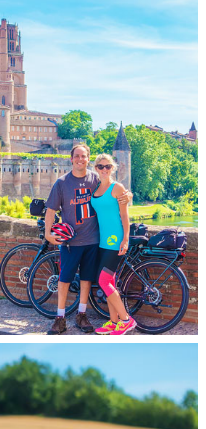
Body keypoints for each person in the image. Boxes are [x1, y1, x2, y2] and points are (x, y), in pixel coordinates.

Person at [43, 143, 130, 334]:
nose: (80, 159)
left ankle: (82, 314)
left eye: (84, 156)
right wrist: (48, 234)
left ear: (88, 159)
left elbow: (114, 190)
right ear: (71, 158)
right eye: (77, 156)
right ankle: (60, 317)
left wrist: (127, 195)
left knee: (86, 279)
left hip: (93, 240)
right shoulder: (62, 182)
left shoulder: (95, 179)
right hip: (70, 242)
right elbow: (51, 209)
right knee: (64, 279)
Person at [91, 153, 136, 335]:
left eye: (107, 166)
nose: (104, 169)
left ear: (113, 168)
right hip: (102, 241)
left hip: (116, 240)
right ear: (96, 169)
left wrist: (125, 239)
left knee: (103, 280)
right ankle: (113, 321)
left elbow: (125, 216)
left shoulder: (117, 188)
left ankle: (126, 320)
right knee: (107, 282)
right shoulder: (95, 189)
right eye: (100, 166)